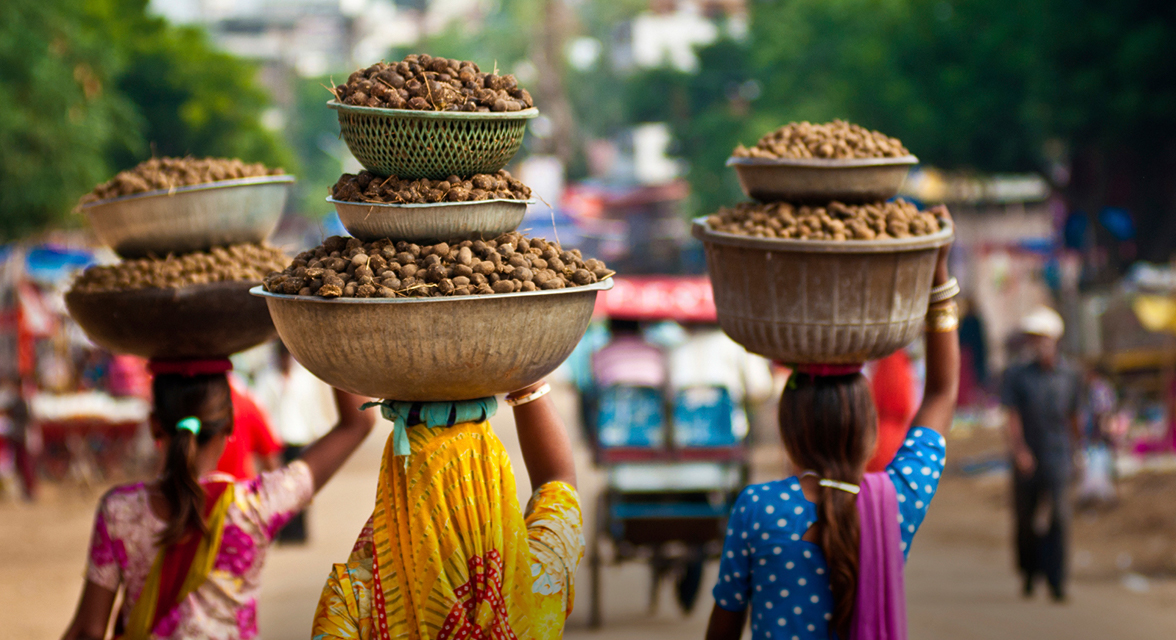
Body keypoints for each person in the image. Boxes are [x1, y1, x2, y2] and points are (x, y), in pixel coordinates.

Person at [705, 206, 959, 640]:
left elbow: (723, 628)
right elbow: (941, 392)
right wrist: (939, 274)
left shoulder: (758, 508)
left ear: (791, 431)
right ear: (867, 428)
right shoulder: (896, 501)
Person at [61, 359, 375, 640]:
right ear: (229, 423)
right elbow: (358, 423)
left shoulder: (119, 510)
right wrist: (328, 336)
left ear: (154, 424)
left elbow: (88, 629)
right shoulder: (256, 505)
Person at [312, 379, 583, 640]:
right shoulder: (540, 581)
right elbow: (557, 481)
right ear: (497, 484)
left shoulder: (354, 602)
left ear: (398, 487)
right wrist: (528, 382)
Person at [1002, 306, 1081, 602]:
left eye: (1043, 338)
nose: (1039, 345)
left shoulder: (1071, 375)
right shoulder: (1016, 375)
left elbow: (1074, 416)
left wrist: (1078, 451)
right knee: (1026, 520)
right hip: (1028, 456)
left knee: (1059, 517)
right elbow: (1012, 416)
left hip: (1058, 454)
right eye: (1033, 339)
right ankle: (1029, 571)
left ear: (1054, 340)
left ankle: (1057, 580)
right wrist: (1019, 450)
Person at [254, 343, 338, 543]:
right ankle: (282, 532)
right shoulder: (266, 379)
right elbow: (262, 411)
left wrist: (319, 433)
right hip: (277, 439)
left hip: (300, 437)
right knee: (277, 486)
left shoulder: (304, 379)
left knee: (300, 486)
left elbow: (312, 408)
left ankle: (300, 532)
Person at [214, 379, 283, 480]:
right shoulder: (246, 402)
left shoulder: (191, 400)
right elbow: (271, 460)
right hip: (240, 489)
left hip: (197, 491)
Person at [0, 373, 35, 500]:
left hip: (20, 435)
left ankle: (28, 490)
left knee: (24, 463)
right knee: (19, 464)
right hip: (17, 435)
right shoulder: (17, 401)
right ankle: (25, 490)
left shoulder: (20, 402)